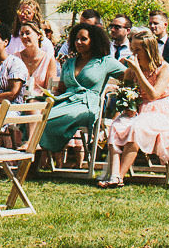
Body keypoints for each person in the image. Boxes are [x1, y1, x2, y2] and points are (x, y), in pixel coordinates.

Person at [38, 24, 123, 170]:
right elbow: (61, 89)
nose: (78, 42)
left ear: (94, 41)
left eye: (83, 39)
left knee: (49, 118)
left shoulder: (105, 62)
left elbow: (129, 76)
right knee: (35, 113)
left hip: (87, 105)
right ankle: (35, 159)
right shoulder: (69, 62)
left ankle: (39, 159)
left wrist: (119, 91)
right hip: (66, 101)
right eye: (76, 39)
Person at [98, 33, 169, 187]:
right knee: (116, 127)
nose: (134, 54)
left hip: (159, 112)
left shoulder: (165, 68)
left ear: (149, 50)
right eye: (132, 49)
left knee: (136, 128)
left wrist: (138, 71)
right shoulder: (131, 71)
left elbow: (153, 95)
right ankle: (114, 175)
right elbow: (126, 96)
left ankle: (120, 176)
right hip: (138, 109)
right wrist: (126, 108)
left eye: (137, 50)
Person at [15, 21, 56, 96]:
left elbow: (50, 88)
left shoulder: (49, 59)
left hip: (40, 100)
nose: (24, 36)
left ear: (38, 35)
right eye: (22, 34)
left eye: (27, 33)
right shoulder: (15, 59)